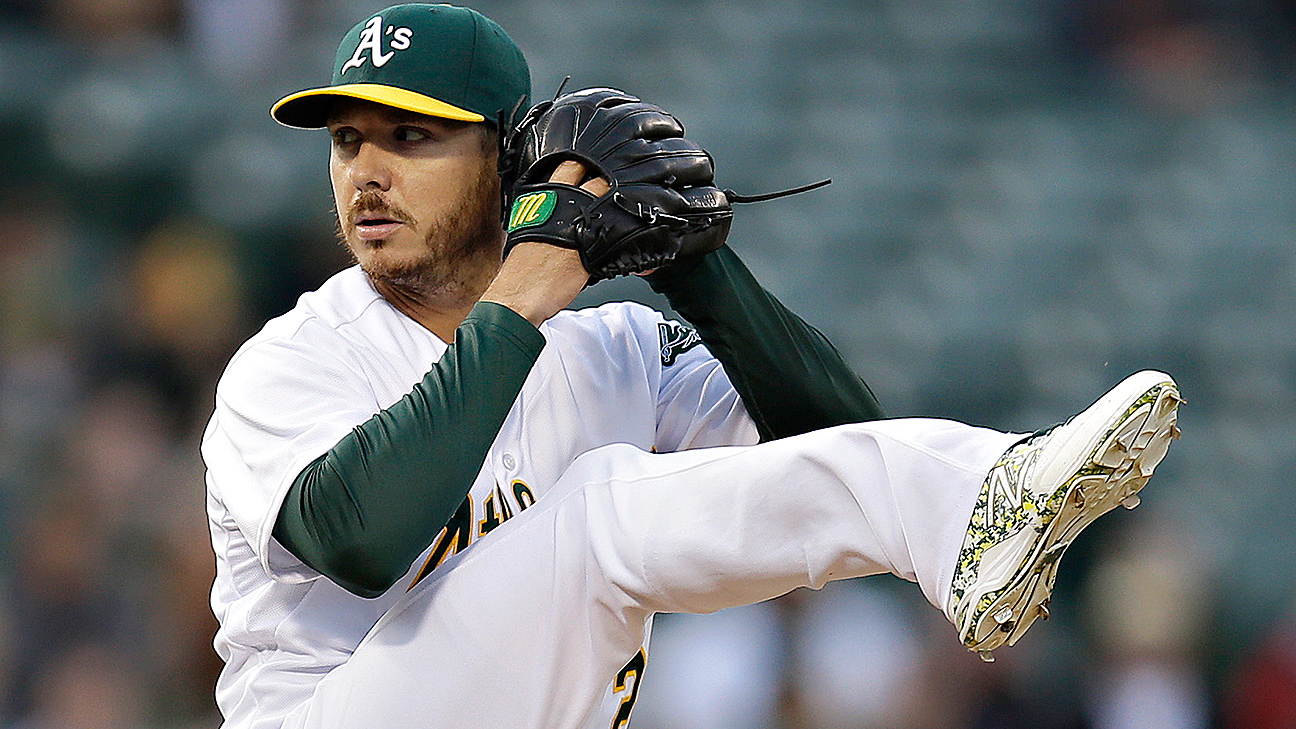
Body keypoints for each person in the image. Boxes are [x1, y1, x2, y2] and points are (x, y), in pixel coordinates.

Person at [201, 4, 1183, 728]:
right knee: (593, 511)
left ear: (508, 157)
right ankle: (975, 503)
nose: (364, 170)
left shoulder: (614, 351)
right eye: (345, 140)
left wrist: (702, 269)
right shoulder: (290, 362)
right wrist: (527, 289)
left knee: (609, 507)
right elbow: (359, 541)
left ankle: (975, 509)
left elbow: (833, 446)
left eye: (410, 136)